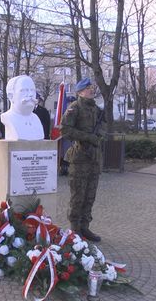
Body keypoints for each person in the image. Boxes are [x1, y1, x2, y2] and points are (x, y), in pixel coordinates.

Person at [60, 77, 105, 242]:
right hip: (79, 159)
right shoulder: (75, 107)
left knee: (90, 195)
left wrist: (98, 136)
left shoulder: (96, 110)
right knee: (77, 196)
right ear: (80, 91)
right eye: (88, 88)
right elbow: (65, 130)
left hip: (94, 159)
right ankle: (74, 229)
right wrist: (87, 137)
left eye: (92, 88)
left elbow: (104, 126)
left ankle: (85, 227)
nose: (91, 90)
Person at [0, 75, 44, 141]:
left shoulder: (36, 119)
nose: (30, 94)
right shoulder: (7, 117)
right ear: (11, 96)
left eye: (32, 90)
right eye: (24, 90)